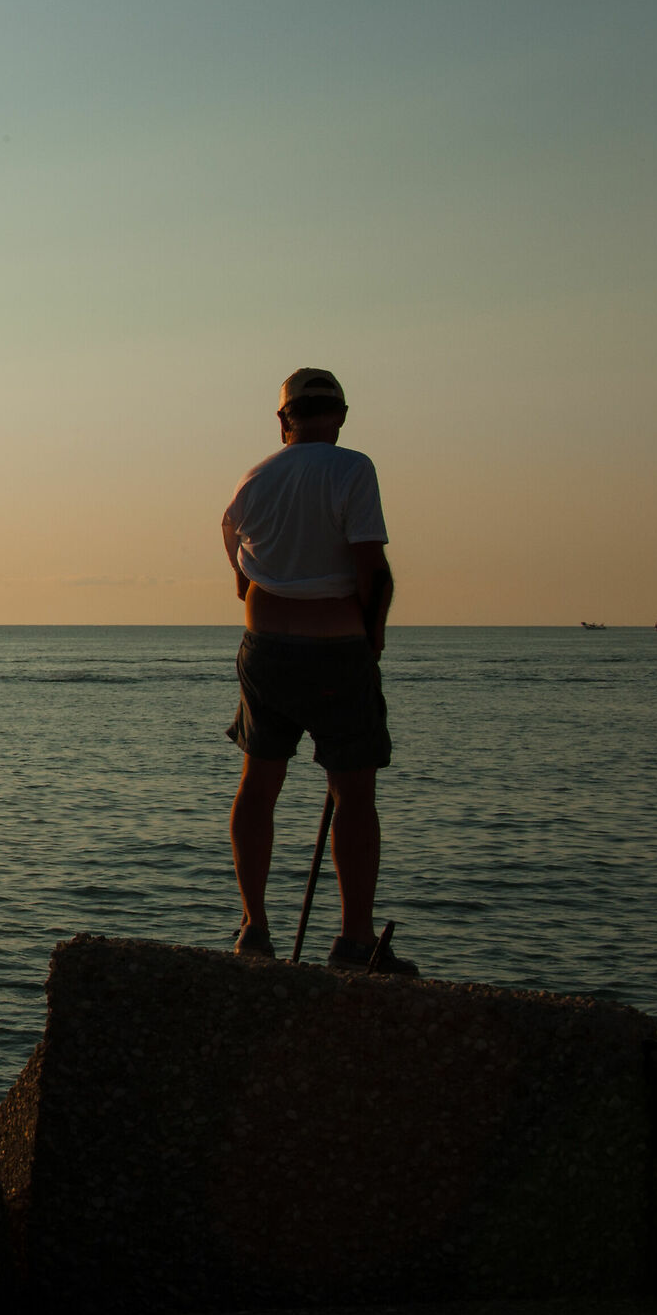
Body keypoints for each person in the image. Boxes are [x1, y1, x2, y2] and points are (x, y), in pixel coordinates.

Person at [220, 368, 415, 973]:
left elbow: (240, 572)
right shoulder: (354, 468)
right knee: (353, 793)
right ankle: (354, 939)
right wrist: (373, 636)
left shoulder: (254, 479)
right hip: (336, 650)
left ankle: (254, 927)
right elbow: (371, 567)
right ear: (342, 416)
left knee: (259, 785)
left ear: (284, 421)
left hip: (265, 650)